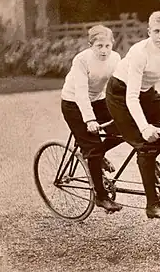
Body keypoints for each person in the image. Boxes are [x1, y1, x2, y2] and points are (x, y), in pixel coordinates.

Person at [106, 11, 160, 220]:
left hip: (147, 92)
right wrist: (144, 128)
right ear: (148, 31)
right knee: (146, 145)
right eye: (156, 31)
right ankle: (152, 204)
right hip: (121, 93)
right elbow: (131, 97)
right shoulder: (139, 52)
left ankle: (153, 162)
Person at [61, 25, 124, 212]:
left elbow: (117, 86)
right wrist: (89, 120)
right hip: (73, 103)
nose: (104, 50)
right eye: (99, 46)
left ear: (112, 44)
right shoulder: (81, 60)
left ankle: (89, 154)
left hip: (98, 99)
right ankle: (101, 197)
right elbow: (80, 93)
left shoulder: (115, 58)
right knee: (94, 149)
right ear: (91, 45)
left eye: (107, 45)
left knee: (121, 132)